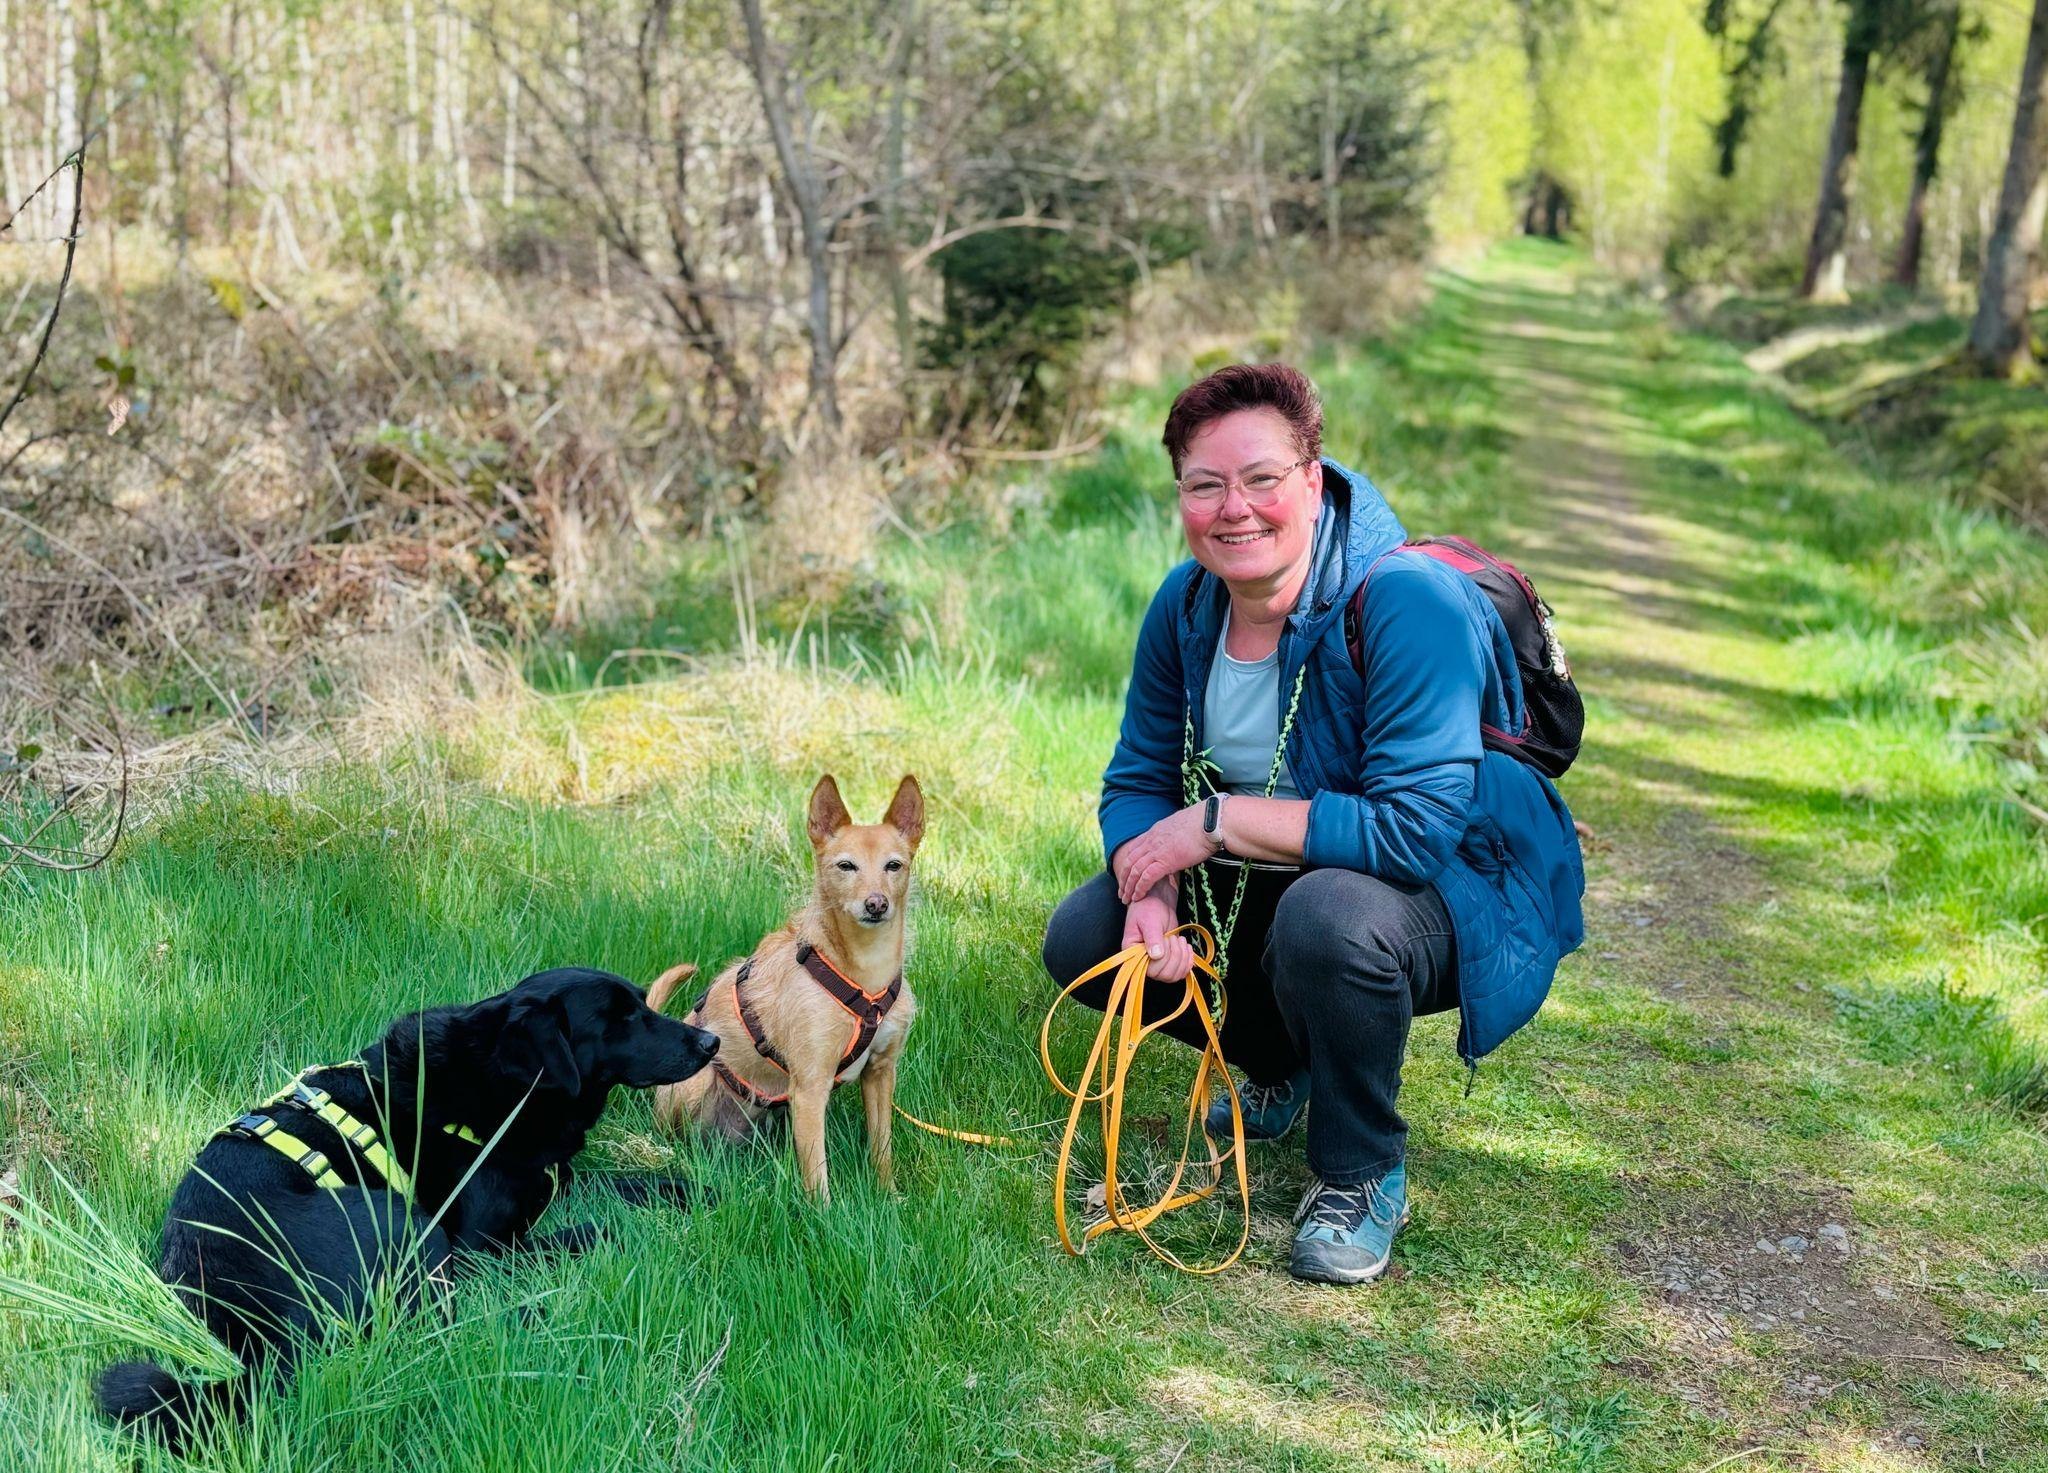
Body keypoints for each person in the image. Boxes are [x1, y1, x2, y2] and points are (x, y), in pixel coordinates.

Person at [1040, 362, 1584, 1284]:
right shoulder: (1186, 602)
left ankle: (1361, 1170)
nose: (1234, 509)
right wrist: (1152, 890)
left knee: (1326, 920)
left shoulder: (1405, 601)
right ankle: (1280, 1060)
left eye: (1262, 478)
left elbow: (1413, 830)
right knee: (1086, 935)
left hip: (1443, 884)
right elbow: (1138, 779)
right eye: (1204, 485)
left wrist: (1215, 822)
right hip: (1281, 869)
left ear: (1313, 476)